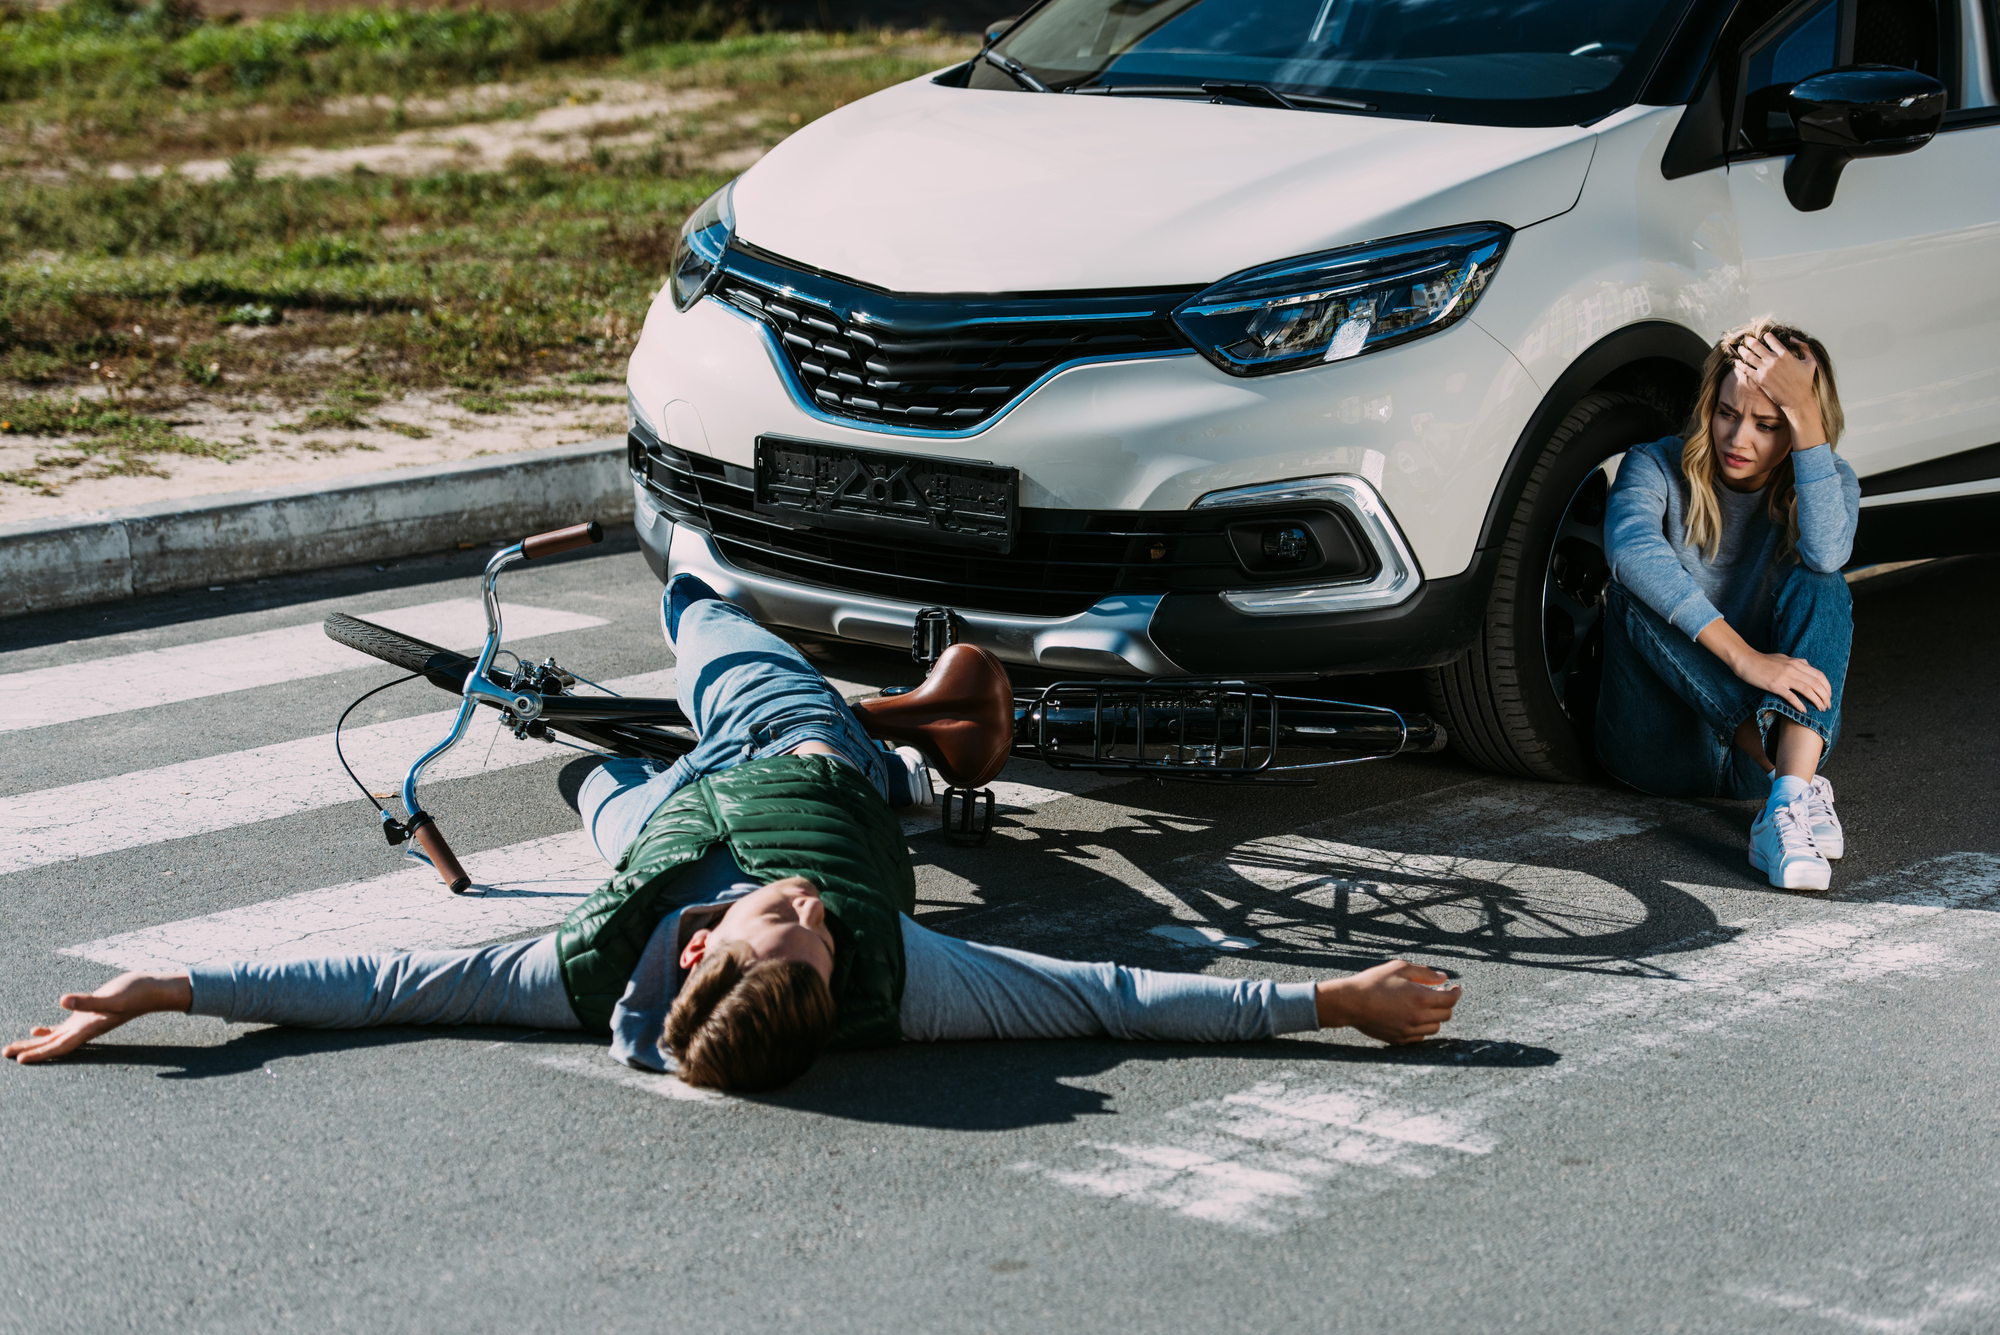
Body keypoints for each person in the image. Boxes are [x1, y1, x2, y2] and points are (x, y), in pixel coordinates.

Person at [7, 578, 1462, 1089]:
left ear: (695, 948)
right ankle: (726, 600)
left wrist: (171, 983)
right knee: (736, 661)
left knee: (603, 783)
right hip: (796, 762)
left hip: (668, 825)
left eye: (795, 923)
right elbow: (1122, 998)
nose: (819, 920)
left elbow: (373, 983)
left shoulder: (582, 973)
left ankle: (684, 587)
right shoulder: (900, 981)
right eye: (821, 938)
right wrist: (1334, 995)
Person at [1597, 317, 1860, 891]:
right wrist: (1745, 658)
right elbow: (1631, 551)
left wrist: (1807, 422)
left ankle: (1789, 802)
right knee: (1635, 589)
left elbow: (1826, 552)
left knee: (1824, 581)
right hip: (1657, 747)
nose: (1739, 439)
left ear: (1796, 429)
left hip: (1761, 772)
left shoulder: (1829, 478)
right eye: (1726, 413)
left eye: (1768, 424)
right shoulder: (1655, 464)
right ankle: (1791, 782)